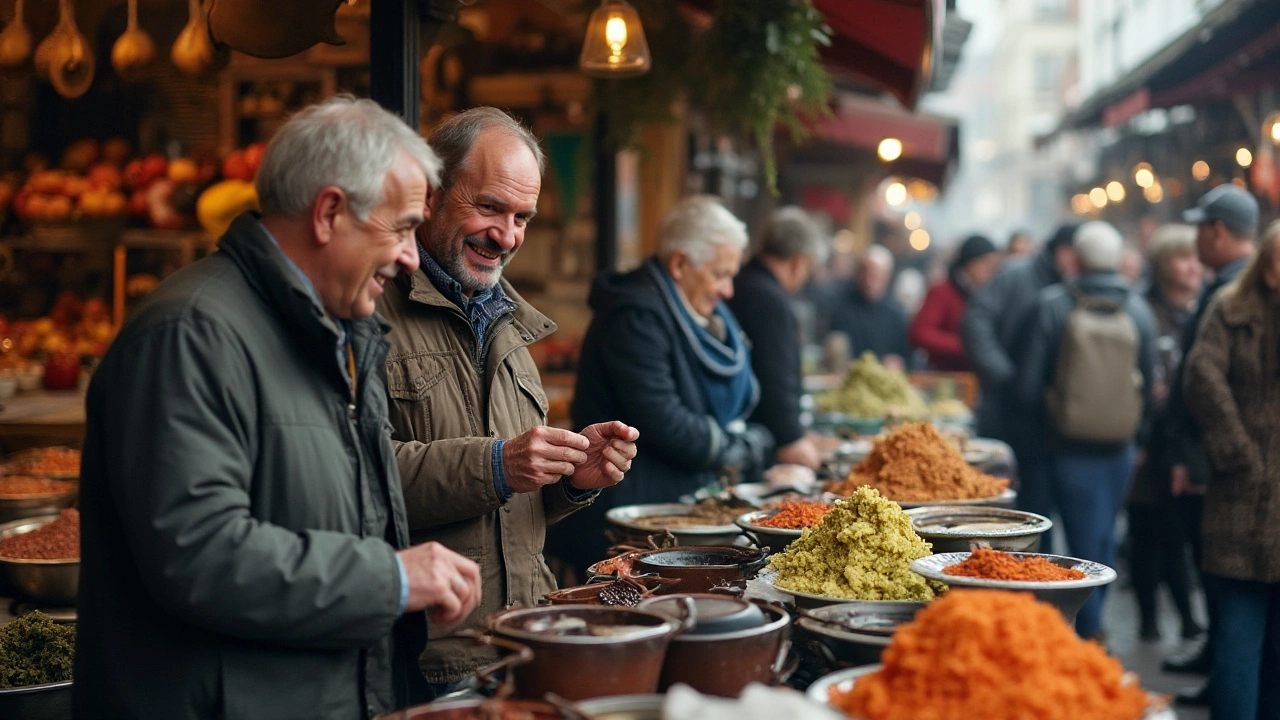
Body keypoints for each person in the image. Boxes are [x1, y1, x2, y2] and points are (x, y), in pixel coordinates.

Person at [73, 97, 483, 718]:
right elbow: (197, 554)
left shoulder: (343, 330)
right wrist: (391, 579)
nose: (409, 256)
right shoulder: (190, 333)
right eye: (400, 228)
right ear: (328, 214)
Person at [377, 107, 639, 690]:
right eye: (490, 207)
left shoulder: (508, 322)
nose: (508, 236)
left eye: (522, 216)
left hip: (524, 641)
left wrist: (572, 480)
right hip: (423, 662)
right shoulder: (369, 309)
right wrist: (496, 464)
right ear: (431, 193)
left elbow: (511, 511)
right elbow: (351, 480)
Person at [556, 195, 770, 573]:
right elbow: (663, 421)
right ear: (680, 263)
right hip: (629, 518)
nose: (729, 291)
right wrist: (740, 446)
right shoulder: (634, 316)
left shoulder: (697, 310)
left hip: (675, 506)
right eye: (720, 274)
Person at [1017, 220, 1157, 640]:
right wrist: (1140, 437)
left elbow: (1027, 386)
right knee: (1101, 537)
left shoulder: (1053, 304)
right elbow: (1149, 384)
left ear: (1075, 259)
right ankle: (1095, 623)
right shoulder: (1139, 309)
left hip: (1064, 445)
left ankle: (1087, 630)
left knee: (1077, 543)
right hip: (1120, 448)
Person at [1160, 182, 1259, 703]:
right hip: (1234, 468)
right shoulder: (1236, 288)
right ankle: (1220, 670)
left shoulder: (1233, 297)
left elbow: (1205, 386)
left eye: (1201, 226)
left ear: (1217, 232)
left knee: (1228, 587)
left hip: (1226, 474)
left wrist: (1204, 458)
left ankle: (1225, 677)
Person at [1183, 220, 1280, 720]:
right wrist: (1236, 449)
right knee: (1238, 634)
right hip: (1242, 496)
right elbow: (1201, 376)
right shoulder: (1231, 309)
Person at [961, 223, 1078, 539]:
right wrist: (1005, 375)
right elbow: (976, 321)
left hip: (1051, 420)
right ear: (1065, 252)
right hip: (1007, 413)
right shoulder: (1015, 275)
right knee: (1008, 507)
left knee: (1042, 510)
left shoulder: (1074, 286)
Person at [1125, 224, 1204, 642]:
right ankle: (1149, 621)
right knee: (1146, 534)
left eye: (1196, 257)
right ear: (1162, 265)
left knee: (1178, 534)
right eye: (1182, 258)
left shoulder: (1203, 310)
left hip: (1183, 442)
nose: (1193, 267)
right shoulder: (1141, 310)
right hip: (1147, 440)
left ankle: (1189, 620)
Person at [726, 206, 827, 470]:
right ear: (798, 262)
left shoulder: (744, 279)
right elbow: (775, 375)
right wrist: (791, 438)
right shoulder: (769, 298)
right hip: (759, 437)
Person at [908, 234, 1000, 371]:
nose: (991, 271)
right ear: (971, 263)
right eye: (986, 264)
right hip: (944, 375)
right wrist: (963, 345)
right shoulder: (942, 292)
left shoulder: (988, 294)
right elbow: (920, 332)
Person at [828, 245, 909, 364]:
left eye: (875, 276)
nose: (869, 281)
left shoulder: (896, 314)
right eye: (865, 274)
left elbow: (905, 355)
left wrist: (896, 361)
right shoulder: (841, 308)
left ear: (887, 277)